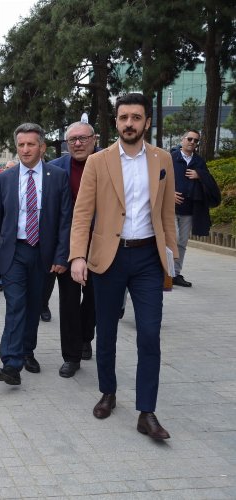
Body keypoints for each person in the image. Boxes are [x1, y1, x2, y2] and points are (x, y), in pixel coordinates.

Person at [70, 93, 177, 440]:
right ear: (116, 122)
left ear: (147, 122)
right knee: (106, 331)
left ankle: (146, 411)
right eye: (123, 117)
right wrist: (78, 256)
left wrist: (172, 259)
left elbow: (167, 214)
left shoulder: (162, 159)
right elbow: (82, 214)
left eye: (136, 117)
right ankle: (108, 392)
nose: (129, 123)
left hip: (148, 259)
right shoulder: (98, 161)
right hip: (109, 258)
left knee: (149, 333)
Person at [0, 123, 71, 386]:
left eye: (30, 144)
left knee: (34, 305)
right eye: (21, 145)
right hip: (14, 251)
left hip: (43, 253)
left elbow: (65, 220)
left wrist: (61, 256)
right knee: (15, 305)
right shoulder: (5, 178)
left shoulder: (57, 177)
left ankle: (27, 351)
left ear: (42, 147)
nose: (25, 149)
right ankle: (11, 364)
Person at [48, 121, 98, 377]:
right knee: (68, 302)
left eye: (83, 138)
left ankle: (85, 336)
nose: (77, 144)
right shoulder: (55, 169)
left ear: (94, 139)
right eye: (72, 140)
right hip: (67, 247)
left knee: (93, 299)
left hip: (100, 246)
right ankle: (71, 356)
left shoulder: (107, 164)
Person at [171, 129, 221, 287]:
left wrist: (200, 175)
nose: (192, 142)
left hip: (189, 210)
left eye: (195, 140)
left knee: (182, 243)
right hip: (170, 209)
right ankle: (165, 272)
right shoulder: (171, 158)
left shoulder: (199, 162)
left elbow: (211, 184)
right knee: (173, 239)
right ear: (182, 140)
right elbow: (158, 178)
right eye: (189, 139)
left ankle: (175, 274)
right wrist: (169, 194)